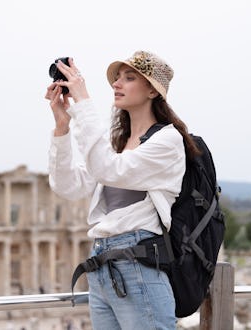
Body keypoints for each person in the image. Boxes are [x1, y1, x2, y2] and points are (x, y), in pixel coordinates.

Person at [45, 50, 201, 330]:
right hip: (102, 266)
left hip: (137, 261)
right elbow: (68, 186)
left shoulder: (167, 140)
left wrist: (82, 101)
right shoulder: (119, 146)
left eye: (129, 78)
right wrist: (62, 127)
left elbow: (108, 169)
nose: (116, 84)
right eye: (116, 78)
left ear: (153, 91)